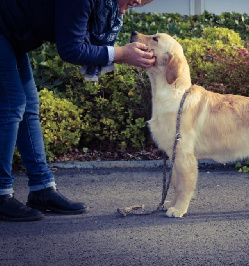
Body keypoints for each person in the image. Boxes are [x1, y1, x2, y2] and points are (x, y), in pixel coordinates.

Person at [0, 0, 156, 222]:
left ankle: (42, 189)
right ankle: (1, 193)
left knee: (29, 105)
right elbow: (71, 49)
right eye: (130, 2)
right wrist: (121, 53)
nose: (122, 12)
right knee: (11, 104)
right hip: (4, 31)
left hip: (12, 35)